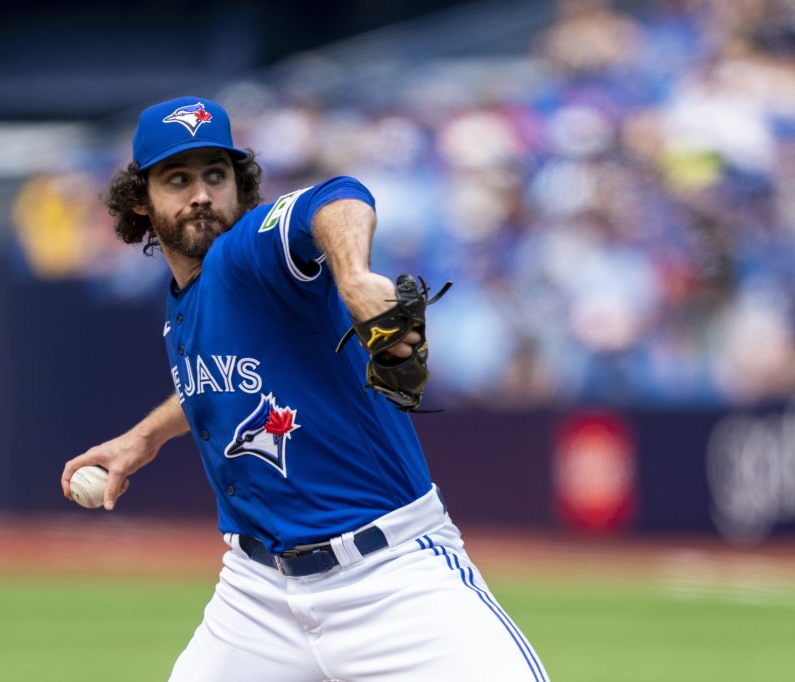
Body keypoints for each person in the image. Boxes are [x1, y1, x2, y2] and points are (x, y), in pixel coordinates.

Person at [61, 96, 548, 682]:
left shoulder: (250, 253)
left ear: (240, 186)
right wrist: (143, 437)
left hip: (389, 577)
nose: (201, 194)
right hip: (257, 594)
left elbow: (337, 196)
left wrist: (355, 276)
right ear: (141, 199)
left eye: (216, 175)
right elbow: (224, 381)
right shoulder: (182, 301)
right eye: (177, 178)